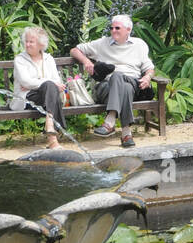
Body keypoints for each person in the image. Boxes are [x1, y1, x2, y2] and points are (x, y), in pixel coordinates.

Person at [71, 14, 155, 148]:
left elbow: (149, 68)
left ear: (128, 30)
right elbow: (74, 50)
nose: (113, 31)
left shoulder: (139, 45)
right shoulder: (102, 43)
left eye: (117, 28)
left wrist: (147, 77)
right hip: (106, 88)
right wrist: (86, 61)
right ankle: (126, 133)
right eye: (111, 28)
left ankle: (110, 120)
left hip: (133, 83)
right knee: (122, 84)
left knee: (119, 77)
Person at [12, 26, 66, 149]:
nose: (27, 44)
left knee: (50, 88)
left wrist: (38, 83)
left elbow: (57, 81)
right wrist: (45, 82)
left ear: (41, 44)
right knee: (50, 87)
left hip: (45, 98)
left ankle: (50, 127)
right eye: (26, 41)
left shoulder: (49, 59)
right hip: (26, 98)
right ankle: (52, 134)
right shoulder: (20, 59)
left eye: (31, 41)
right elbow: (26, 82)